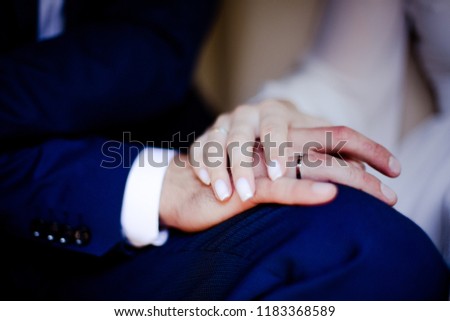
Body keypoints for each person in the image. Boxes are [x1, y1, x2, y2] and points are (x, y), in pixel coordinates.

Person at [0, 0, 448, 300]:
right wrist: (270, 118)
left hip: (153, 154)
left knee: (367, 242)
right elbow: (348, 80)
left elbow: (153, 43)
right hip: (116, 179)